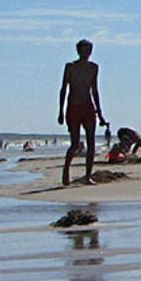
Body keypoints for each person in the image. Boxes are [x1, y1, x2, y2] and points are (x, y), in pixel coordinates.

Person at [58, 39, 106, 186]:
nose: (87, 53)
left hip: (88, 106)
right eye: (84, 50)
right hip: (73, 107)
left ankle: (88, 176)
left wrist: (100, 112)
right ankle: (66, 171)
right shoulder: (70, 67)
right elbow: (63, 89)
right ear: (78, 51)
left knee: (91, 142)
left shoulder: (93, 67)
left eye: (90, 50)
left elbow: (95, 90)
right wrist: (60, 111)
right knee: (74, 143)